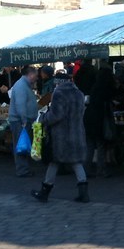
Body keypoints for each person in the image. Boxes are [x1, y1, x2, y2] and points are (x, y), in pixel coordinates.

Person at [31, 74, 91, 204]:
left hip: (61, 135)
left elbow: (56, 115)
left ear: (58, 82)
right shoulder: (79, 93)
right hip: (76, 133)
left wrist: (42, 118)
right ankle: (84, 193)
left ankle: (45, 191)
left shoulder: (58, 94)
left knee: (54, 161)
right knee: (76, 162)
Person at [84, 66, 117, 177]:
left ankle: (86, 170)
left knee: (90, 145)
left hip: (89, 118)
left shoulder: (94, 87)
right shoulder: (107, 89)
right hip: (100, 119)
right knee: (101, 145)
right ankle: (101, 169)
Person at [8, 65, 41, 177]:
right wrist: (24, 120)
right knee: (21, 145)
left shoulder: (23, 85)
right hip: (20, 121)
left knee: (23, 144)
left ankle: (24, 168)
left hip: (21, 121)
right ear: (30, 75)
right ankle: (22, 170)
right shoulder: (21, 86)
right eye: (36, 76)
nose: (37, 78)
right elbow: (20, 105)